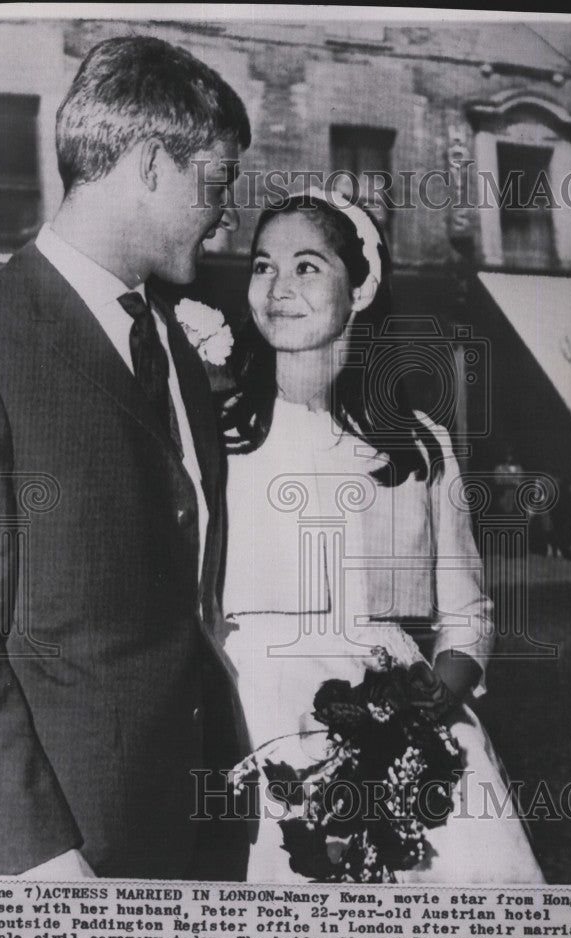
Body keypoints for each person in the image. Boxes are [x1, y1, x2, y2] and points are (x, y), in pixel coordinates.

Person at [0, 35, 251, 880]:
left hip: (202, 829)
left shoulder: (174, 344)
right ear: (150, 164)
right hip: (72, 852)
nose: (227, 214)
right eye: (215, 183)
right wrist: (37, 856)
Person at [221, 191, 544, 883]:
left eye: (308, 267)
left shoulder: (418, 444)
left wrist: (438, 700)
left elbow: (467, 617)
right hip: (249, 723)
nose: (278, 289)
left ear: (360, 286)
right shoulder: (218, 432)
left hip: (396, 729)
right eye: (261, 265)